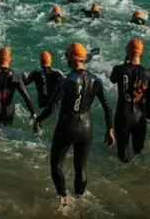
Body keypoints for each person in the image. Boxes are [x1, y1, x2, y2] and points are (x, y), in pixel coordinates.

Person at [33, 43, 115, 206]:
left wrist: (39, 119)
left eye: (66, 54)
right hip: (86, 128)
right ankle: (80, 199)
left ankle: (64, 199)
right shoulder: (96, 80)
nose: (65, 57)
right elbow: (107, 106)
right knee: (81, 167)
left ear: (71, 57)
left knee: (56, 164)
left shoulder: (65, 80)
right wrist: (110, 129)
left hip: (67, 126)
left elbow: (52, 106)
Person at [109, 38, 150, 163]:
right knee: (139, 152)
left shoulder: (119, 69)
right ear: (141, 52)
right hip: (140, 118)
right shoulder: (149, 74)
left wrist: (126, 60)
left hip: (123, 116)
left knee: (122, 157)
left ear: (127, 50)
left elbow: (113, 79)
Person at [0, 47, 37, 127]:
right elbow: (27, 97)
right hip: (8, 113)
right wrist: (33, 113)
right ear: (10, 58)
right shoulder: (16, 77)